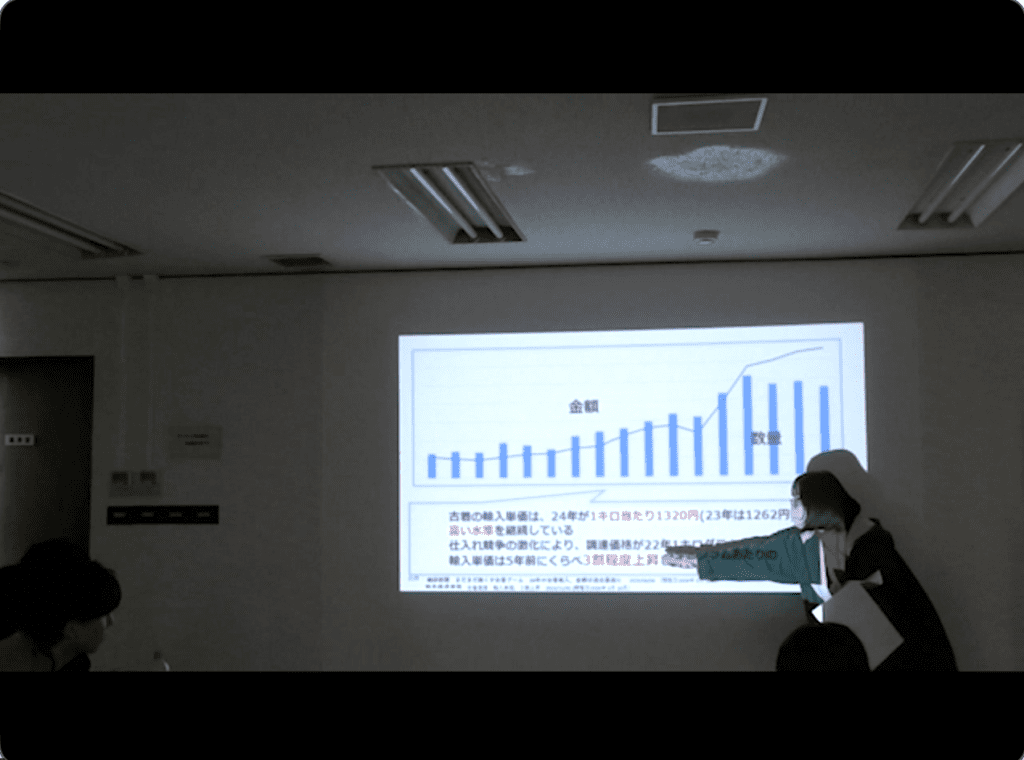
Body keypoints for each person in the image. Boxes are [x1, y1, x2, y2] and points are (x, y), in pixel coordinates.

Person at [663, 449, 958, 671]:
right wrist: (700, 561)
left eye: (796, 500)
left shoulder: (873, 546)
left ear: (819, 502)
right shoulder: (803, 546)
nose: (790, 507)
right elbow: (756, 554)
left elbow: (908, 620)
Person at [0, 539, 121, 671]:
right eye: (104, 614)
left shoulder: (77, 662)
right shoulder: (11, 660)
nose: (111, 621)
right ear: (71, 629)